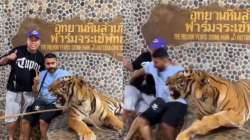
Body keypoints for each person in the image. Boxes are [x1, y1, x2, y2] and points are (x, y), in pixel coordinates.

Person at [125, 48, 187, 140]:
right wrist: (133, 80)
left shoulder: (178, 70)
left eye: (156, 62)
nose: (154, 64)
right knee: (141, 120)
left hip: (176, 102)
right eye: (153, 62)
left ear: (164, 60)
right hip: (160, 102)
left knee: (166, 124)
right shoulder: (152, 66)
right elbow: (140, 72)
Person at [0, 30, 44, 140]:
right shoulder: (18, 50)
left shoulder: (40, 57)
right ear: (27, 40)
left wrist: (37, 82)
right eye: (31, 39)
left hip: (29, 93)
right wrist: (8, 58)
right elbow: (1, 62)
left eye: (36, 40)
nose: (33, 42)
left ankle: (23, 138)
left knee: (26, 118)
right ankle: (10, 138)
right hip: (14, 91)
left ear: (39, 42)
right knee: (11, 117)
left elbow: (42, 77)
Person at [20, 53, 71, 140]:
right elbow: (36, 93)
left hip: (55, 104)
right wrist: (35, 84)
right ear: (44, 64)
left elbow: (70, 92)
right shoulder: (41, 74)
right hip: (41, 102)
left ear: (57, 63)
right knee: (25, 120)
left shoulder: (65, 74)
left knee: (43, 120)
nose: (51, 66)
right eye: (48, 64)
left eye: (53, 63)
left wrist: (66, 105)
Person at [123, 37, 168, 126]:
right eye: (152, 47)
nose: (152, 50)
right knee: (128, 107)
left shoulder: (164, 62)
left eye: (156, 48)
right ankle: (123, 128)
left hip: (150, 93)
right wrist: (127, 65)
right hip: (135, 87)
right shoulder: (144, 56)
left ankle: (134, 129)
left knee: (143, 113)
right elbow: (133, 68)